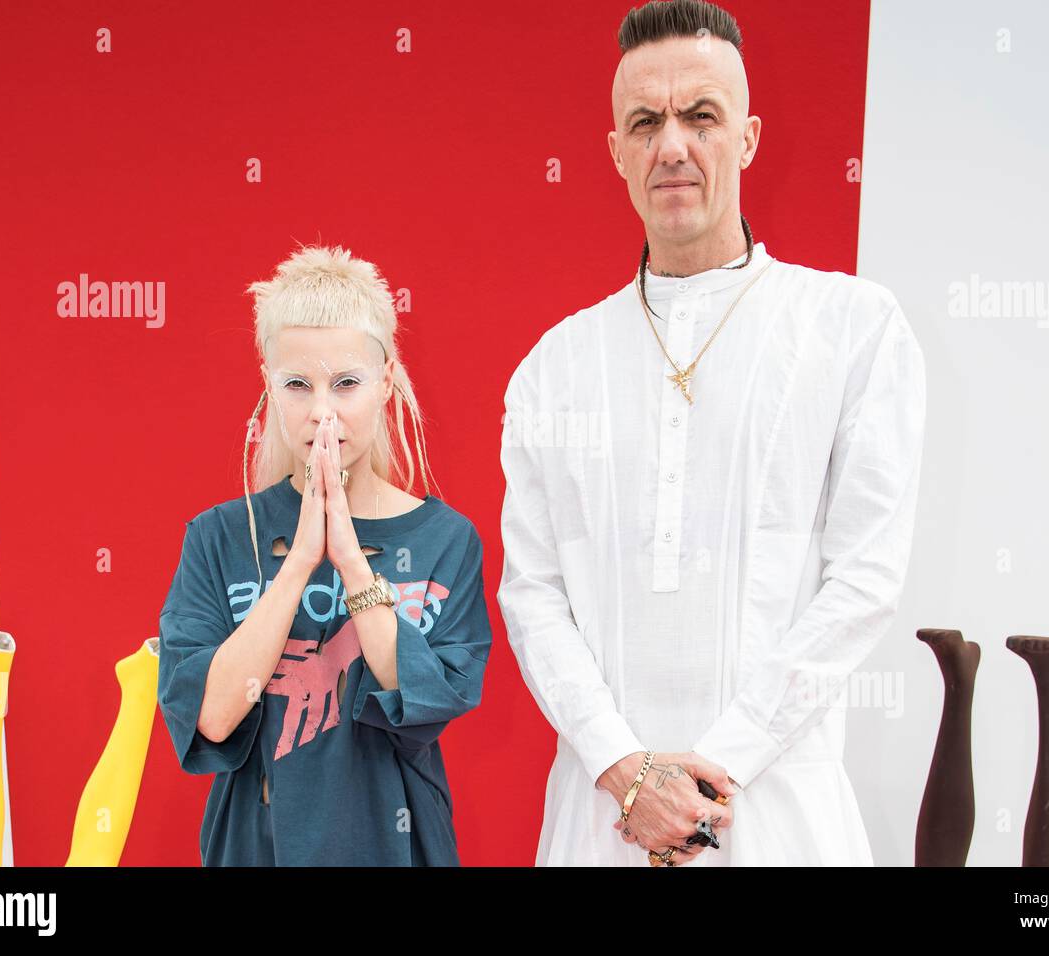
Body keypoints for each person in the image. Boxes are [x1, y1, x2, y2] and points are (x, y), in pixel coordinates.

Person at [496, 0, 926, 866]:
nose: (673, 146)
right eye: (645, 122)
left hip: (781, 816)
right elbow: (532, 595)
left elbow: (865, 579)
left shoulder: (853, 328)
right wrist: (625, 771)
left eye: (702, 116)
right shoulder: (556, 364)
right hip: (600, 821)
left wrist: (717, 767)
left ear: (750, 137)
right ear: (615, 150)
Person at [157, 244, 491, 865]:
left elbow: (426, 704)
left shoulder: (446, 539)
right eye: (297, 385)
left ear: (385, 380)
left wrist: (352, 560)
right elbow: (212, 717)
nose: (322, 412)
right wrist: (300, 562)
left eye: (345, 383)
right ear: (269, 384)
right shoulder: (218, 537)